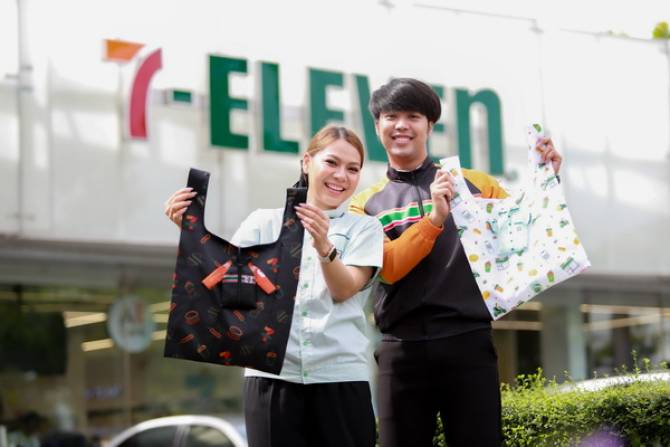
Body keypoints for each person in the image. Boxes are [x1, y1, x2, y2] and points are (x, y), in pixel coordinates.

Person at [349, 78, 562, 447]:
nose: (401, 125)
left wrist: (547, 176)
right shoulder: (364, 204)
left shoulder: (475, 184)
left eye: (413, 116)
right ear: (377, 125)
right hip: (401, 348)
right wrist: (434, 219)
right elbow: (390, 268)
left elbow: (524, 232)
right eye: (391, 116)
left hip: (468, 342)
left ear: (430, 125)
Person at [164, 125, 383, 447]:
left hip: (340, 376)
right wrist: (191, 233)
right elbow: (227, 287)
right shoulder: (262, 222)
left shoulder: (365, 228)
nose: (341, 176)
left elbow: (344, 289)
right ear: (307, 162)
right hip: (270, 377)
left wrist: (324, 246)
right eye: (331, 162)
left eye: (353, 169)